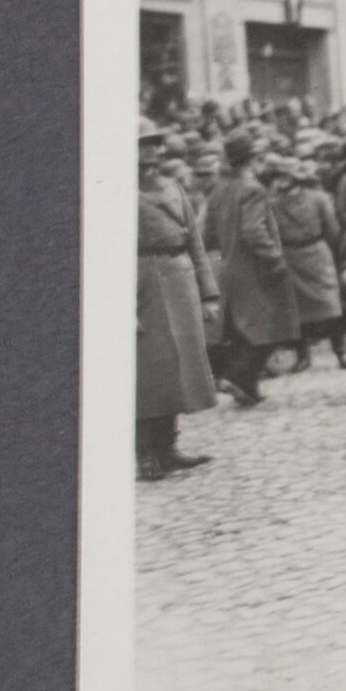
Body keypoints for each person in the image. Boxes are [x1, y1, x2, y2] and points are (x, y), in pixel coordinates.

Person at [136, 119, 220, 479]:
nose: (151, 150)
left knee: (178, 366)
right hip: (144, 281)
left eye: (154, 143)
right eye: (142, 144)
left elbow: (196, 244)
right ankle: (146, 454)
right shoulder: (116, 191)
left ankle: (169, 446)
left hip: (179, 275)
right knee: (149, 370)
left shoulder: (173, 188)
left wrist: (208, 292)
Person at [209, 129, 299, 407]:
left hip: (229, 265)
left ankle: (247, 386)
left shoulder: (221, 188)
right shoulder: (252, 188)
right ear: (252, 158)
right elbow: (253, 231)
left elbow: (209, 230)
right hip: (254, 268)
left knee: (242, 328)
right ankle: (237, 377)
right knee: (267, 326)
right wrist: (275, 258)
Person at [275, 157, 346, 370]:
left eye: (285, 176)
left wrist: (330, 252)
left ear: (295, 178)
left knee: (330, 305)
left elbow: (333, 229)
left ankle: (342, 353)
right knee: (297, 309)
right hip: (291, 256)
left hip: (316, 253)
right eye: (278, 176)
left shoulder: (317, 198)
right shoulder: (273, 203)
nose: (281, 181)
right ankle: (303, 357)